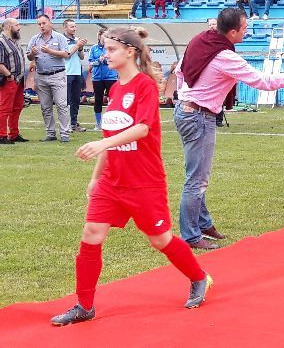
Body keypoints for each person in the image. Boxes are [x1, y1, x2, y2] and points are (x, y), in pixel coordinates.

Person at [49, 26, 212, 328]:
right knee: (91, 234)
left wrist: (100, 144)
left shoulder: (145, 86)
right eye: (104, 48)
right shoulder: (115, 89)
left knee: (159, 239)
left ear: (130, 51)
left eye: (110, 49)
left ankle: (199, 277)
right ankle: (85, 305)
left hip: (144, 182)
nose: (105, 54)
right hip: (112, 181)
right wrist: (97, 177)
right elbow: (113, 135)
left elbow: (142, 128)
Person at [173, 8, 284, 249]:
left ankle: (202, 223)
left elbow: (179, 71)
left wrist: (185, 94)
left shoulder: (200, 41)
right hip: (199, 116)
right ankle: (191, 235)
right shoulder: (225, 57)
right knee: (197, 180)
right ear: (232, 32)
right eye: (244, 28)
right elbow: (263, 82)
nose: (247, 31)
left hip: (187, 110)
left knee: (198, 175)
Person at [27, 15, 72, 142]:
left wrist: (50, 51)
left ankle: (65, 134)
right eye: (39, 24)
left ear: (50, 23)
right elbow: (29, 57)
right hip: (41, 76)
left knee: (61, 105)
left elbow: (66, 54)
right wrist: (32, 53)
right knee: (45, 107)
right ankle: (50, 133)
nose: (41, 26)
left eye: (43, 23)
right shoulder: (34, 39)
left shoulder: (60, 37)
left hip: (57, 75)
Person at [0, 18, 26, 145]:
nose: (19, 27)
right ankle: (2, 135)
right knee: (5, 108)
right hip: (8, 80)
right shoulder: (1, 42)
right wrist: (9, 75)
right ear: (9, 26)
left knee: (17, 107)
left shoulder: (14, 41)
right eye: (17, 25)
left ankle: (13, 134)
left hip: (18, 79)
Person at [62, 20, 89, 134]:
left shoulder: (76, 40)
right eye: (72, 26)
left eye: (75, 26)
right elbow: (66, 56)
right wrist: (77, 45)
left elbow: (82, 57)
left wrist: (80, 48)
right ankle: (66, 124)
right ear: (65, 28)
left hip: (77, 72)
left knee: (76, 100)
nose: (74, 28)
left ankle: (74, 123)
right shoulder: (62, 40)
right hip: (66, 73)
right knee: (66, 100)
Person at [87, 28, 116, 131]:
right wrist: (98, 60)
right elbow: (90, 63)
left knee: (113, 100)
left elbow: (116, 60)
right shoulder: (94, 48)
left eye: (107, 36)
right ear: (99, 36)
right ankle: (98, 123)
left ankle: (112, 121)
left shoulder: (111, 48)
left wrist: (108, 60)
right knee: (98, 99)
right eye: (104, 35)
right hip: (97, 78)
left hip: (111, 77)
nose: (106, 38)